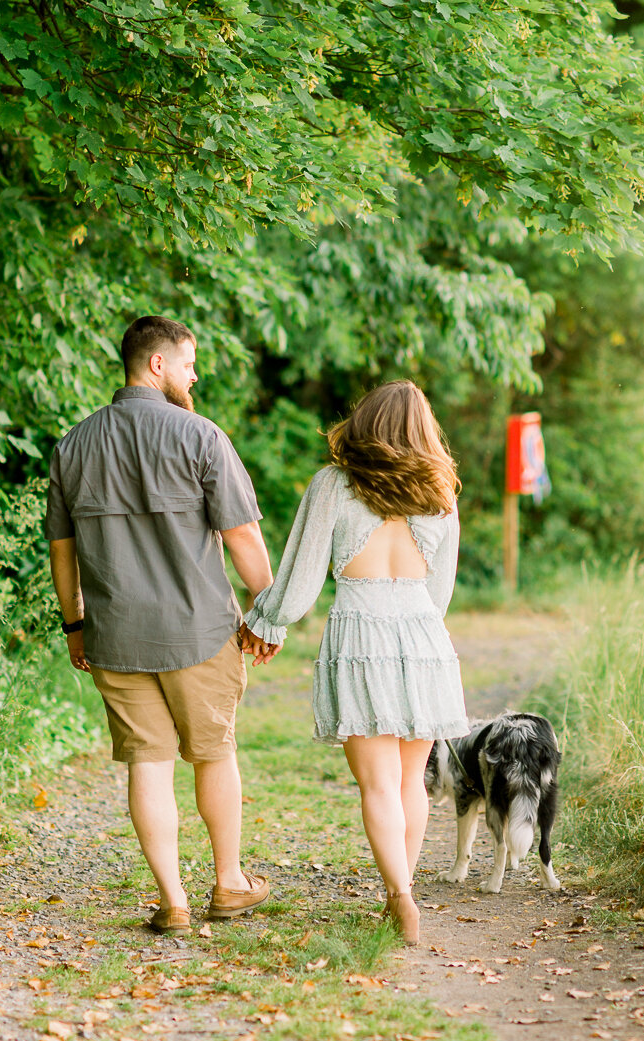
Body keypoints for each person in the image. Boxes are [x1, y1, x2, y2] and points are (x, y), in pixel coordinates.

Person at [45, 315, 274, 934]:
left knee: (148, 763)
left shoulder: (73, 445)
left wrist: (75, 626)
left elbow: (61, 551)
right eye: (189, 363)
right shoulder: (201, 437)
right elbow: (243, 536)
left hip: (115, 637)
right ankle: (228, 883)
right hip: (198, 633)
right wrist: (270, 609)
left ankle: (172, 900)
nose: (194, 374)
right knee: (213, 753)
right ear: (157, 364)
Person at [240, 381, 469, 944]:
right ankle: (403, 892)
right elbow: (440, 595)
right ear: (424, 428)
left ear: (365, 421)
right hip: (423, 639)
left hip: (360, 638)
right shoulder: (441, 494)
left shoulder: (333, 486)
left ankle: (401, 898)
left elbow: (299, 583)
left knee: (377, 786)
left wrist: (264, 620)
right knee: (411, 780)